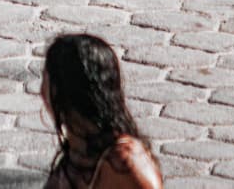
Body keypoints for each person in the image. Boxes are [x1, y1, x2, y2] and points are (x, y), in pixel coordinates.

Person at [41, 34, 164, 188]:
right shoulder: (77, 146)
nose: (41, 92)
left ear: (62, 92)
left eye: (45, 80)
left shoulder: (124, 160)